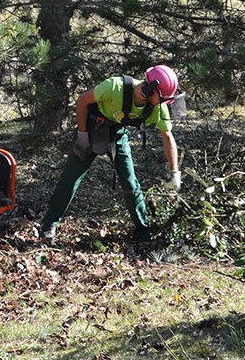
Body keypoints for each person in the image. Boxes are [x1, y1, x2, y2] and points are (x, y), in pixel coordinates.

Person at [39, 65, 181, 245]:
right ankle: (48, 226)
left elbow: (168, 136)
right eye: (161, 98)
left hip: (117, 134)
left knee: (130, 182)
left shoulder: (158, 108)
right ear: (149, 89)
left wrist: (175, 173)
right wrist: (82, 136)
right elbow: (82, 100)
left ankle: (143, 231)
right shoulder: (115, 87)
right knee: (71, 178)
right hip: (91, 129)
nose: (162, 103)